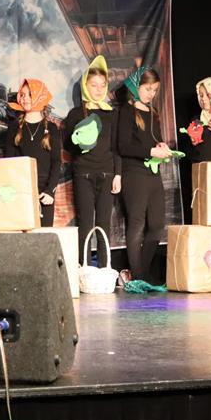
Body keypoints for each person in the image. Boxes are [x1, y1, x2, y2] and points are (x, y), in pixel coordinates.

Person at [63, 55, 122, 267]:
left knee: (104, 224)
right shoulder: (75, 114)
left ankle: (105, 269)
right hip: (83, 174)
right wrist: (79, 140)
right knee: (86, 224)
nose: (98, 89)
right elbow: (67, 146)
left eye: (102, 85)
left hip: (106, 174)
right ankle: (84, 269)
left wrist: (118, 174)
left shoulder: (111, 114)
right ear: (85, 86)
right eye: (93, 85)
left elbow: (116, 147)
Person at [116, 67, 172, 282]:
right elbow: (123, 146)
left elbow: (154, 140)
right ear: (136, 87)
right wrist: (151, 151)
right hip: (134, 174)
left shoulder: (153, 112)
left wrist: (161, 146)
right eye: (148, 89)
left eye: (155, 90)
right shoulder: (127, 111)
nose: (152, 94)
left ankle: (138, 273)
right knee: (137, 224)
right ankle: (139, 277)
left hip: (153, 174)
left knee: (157, 225)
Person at [3, 78, 62, 227]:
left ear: (40, 96)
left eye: (30, 94)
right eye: (22, 95)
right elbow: (9, 162)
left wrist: (50, 191)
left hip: (44, 192)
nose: (25, 98)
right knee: (22, 235)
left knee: (44, 235)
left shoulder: (52, 128)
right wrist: (15, 190)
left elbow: (56, 162)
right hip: (21, 190)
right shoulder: (14, 127)